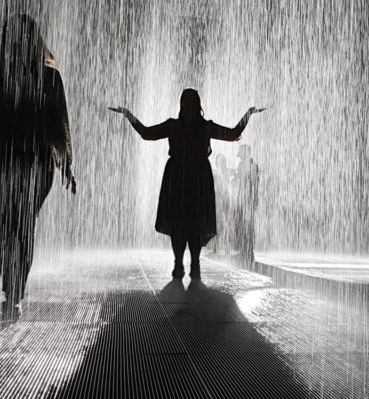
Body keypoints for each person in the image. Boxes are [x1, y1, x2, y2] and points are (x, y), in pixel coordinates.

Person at [0, 14, 76, 320]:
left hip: (31, 162)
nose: (19, 44)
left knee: (20, 226)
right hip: (12, 161)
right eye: (14, 37)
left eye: (24, 37)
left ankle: (15, 289)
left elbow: (59, 124)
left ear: (33, 42)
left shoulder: (50, 80)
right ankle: (12, 288)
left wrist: (66, 162)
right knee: (10, 227)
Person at [109, 90, 264, 279]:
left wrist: (128, 115)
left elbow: (147, 133)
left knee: (178, 221)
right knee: (196, 221)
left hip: (177, 176)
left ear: (181, 105)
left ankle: (178, 264)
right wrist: (248, 114)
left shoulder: (173, 126)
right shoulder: (205, 127)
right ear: (199, 105)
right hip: (199, 176)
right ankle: (195, 265)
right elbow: (233, 134)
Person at [231, 144, 260, 264]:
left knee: (247, 226)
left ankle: (248, 251)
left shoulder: (252, 166)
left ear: (245, 153)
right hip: (240, 200)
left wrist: (254, 199)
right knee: (241, 225)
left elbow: (254, 184)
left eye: (241, 152)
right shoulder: (242, 165)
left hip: (247, 200)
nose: (239, 155)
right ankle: (243, 250)